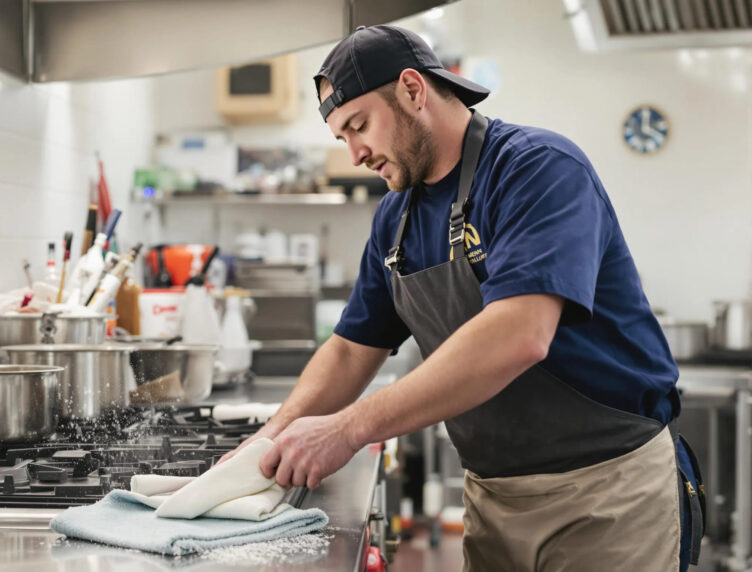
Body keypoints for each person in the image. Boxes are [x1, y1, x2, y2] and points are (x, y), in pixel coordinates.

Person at [219, 25, 705, 570]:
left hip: (606, 495)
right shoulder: (395, 219)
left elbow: (519, 334)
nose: (355, 153)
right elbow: (353, 348)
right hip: (494, 499)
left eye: (358, 126)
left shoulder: (536, 168)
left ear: (412, 89)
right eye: (341, 138)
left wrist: (348, 428)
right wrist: (268, 441)